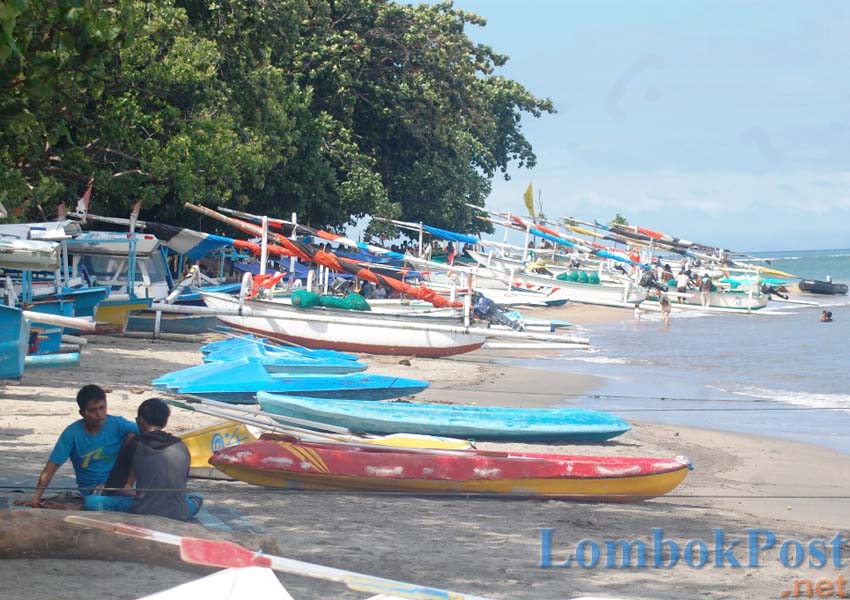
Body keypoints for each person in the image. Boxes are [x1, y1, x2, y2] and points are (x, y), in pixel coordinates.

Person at [84, 398, 202, 521]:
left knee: (92, 501)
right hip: (179, 512)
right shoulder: (181, 446)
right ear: (165, 422)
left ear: (140, 421)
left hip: (144, 511)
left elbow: (114, 486)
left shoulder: (135, 444)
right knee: (197, 497)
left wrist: (106, 490)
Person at [21, 384, 139, 507]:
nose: (99, 414)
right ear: (82, 413)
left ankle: (127, 489)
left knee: (137, 439)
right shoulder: (72, 433)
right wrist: (36, 498)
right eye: (92, 410)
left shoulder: (118, 423)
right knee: (93, 503)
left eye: (102, 408)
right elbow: (51, 467)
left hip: (118, 485)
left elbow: (151, 433)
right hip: (91, 492)